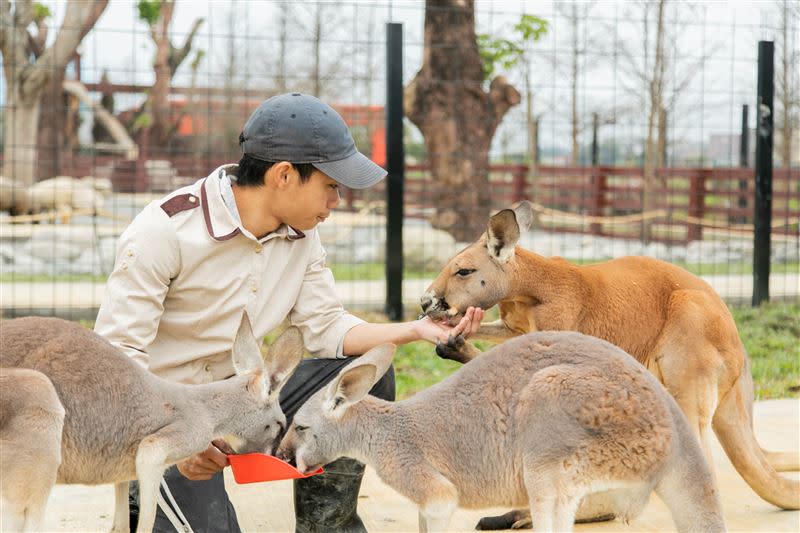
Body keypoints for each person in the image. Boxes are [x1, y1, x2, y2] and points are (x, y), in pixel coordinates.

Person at [95, 92, 484, 533]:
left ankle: (328, 527)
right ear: (284, 175)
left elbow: (326, 329)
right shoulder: (164, 231)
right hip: (165, 427)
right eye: (331, 186)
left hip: (251, 407)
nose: (337, 200)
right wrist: (180, 438)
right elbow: (117, 365)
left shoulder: (302, 235)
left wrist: (417, 329)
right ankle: (144, 498)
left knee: (365, 367)